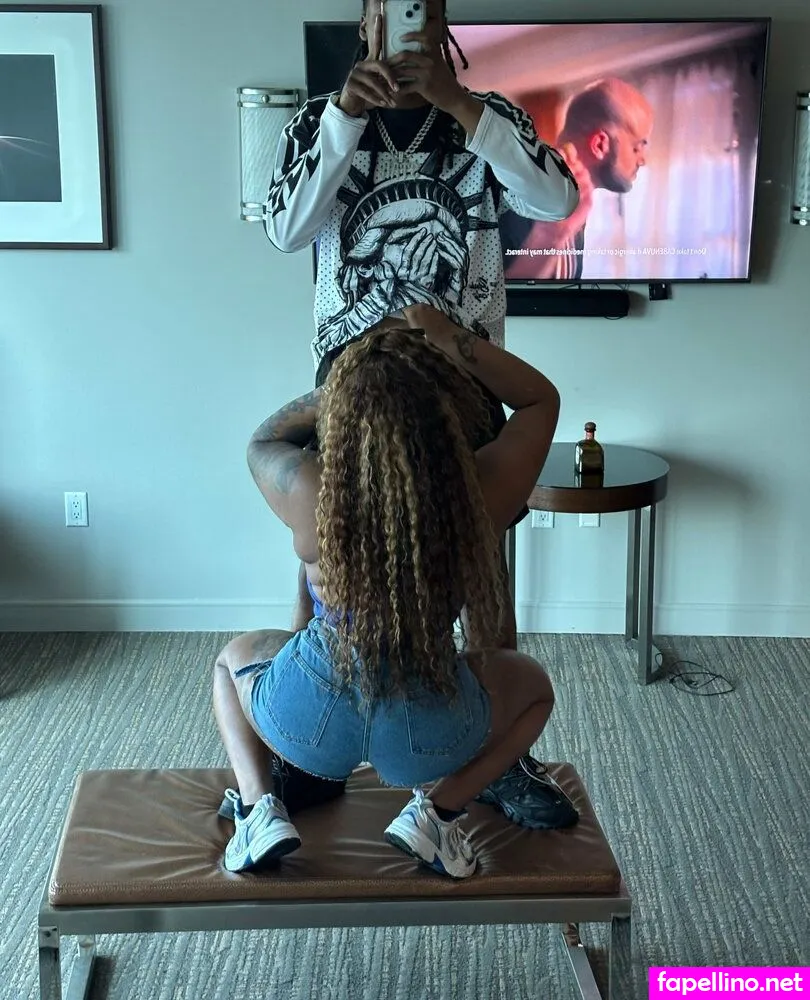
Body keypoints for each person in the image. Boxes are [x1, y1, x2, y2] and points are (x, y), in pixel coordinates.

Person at [265, 0, 578, 659]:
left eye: (423, 12)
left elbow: (556, 201)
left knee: (480, 546)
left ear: (442, 28)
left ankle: (494, 691)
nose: (408, 25)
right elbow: (285, 232)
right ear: (365, 25)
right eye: (389, 11)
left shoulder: (489, 117)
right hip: (354, 380)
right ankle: (307, 682)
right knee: (329, 540)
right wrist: (345, 118)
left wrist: (460, 106)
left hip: (463, 375)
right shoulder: (317, 121)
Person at [213, 308, 573, 878]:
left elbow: (263, 438)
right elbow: (540, 401)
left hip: (309, 723)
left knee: (230, 662)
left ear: (341, 411)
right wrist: (448, 337)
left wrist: (348, 385)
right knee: (535, 690)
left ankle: (258, 811)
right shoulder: (483, 492)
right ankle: (436, 813)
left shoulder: (311, 488)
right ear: (447, 410)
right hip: (427, 737)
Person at [501, 77, 654, 281]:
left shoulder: (577, 200)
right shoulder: (511, 189)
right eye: (637, 147)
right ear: (599, 145)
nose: (643, 160)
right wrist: (552, 234)